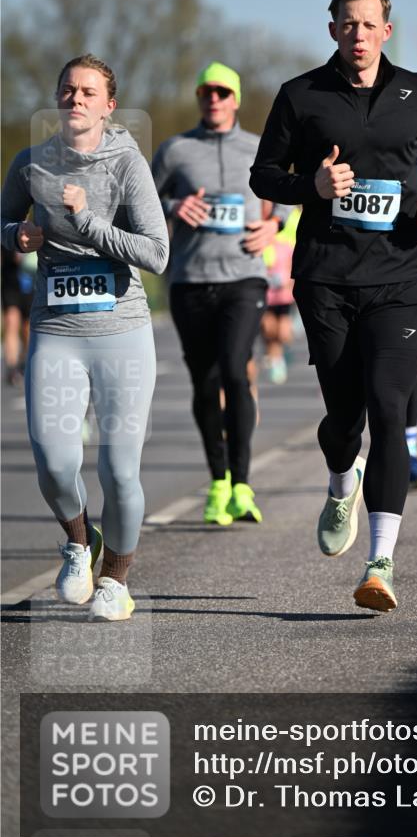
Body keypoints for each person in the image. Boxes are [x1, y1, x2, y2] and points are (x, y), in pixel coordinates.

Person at [250, 0, 417, 611]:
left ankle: (380, 564)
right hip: (327, 278)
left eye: (370, 24)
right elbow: (265, 173)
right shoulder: (301, 95)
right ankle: (343, 480)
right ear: (333, 30)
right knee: (345, 418)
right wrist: (311, 186)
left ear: (387, 30)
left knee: (388, 410)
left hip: (399, 275)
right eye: (348, 24)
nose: (359, 34)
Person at [1, 54, 169, 621]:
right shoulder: (31, 164)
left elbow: (157, 253)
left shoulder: (127, 164)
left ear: (108, 105)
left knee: (119, 469)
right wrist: (16, 235)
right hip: (55, 329)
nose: (76, 99)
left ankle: (117, 580)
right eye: (68, 90)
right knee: (53, 460)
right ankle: (78, 541)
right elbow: (1, 226)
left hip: (121, 330)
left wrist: (90, 222)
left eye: (89, 92)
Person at [152, 62, 291, 525]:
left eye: (222, 92)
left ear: (234, 98)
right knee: (205, 382)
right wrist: (174, 204)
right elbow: (141, 202)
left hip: (243, 278)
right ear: (200, 98)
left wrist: (273, 225)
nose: (214, 99)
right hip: (190, 279)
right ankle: (217, 482)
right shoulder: (176, 151)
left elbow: (288, 195)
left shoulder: (258, 148)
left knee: (236, 369)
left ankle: (243, 483)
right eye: (206, 92)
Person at [261, 207, 300, 384]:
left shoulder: (286, 244)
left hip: (283, 294)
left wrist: (290, 281)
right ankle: (275, 359)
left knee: (283, 332)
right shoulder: (263, 243)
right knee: (269, 330)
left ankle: (280, 352)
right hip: (265, 294)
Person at [1, 245, 36, 385]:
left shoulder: (38, 223)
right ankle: (12, 368)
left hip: (31, 282)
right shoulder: (5, 224)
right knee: (11, 322)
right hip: (11, 282)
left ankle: (26, 363)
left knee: (28, 327)